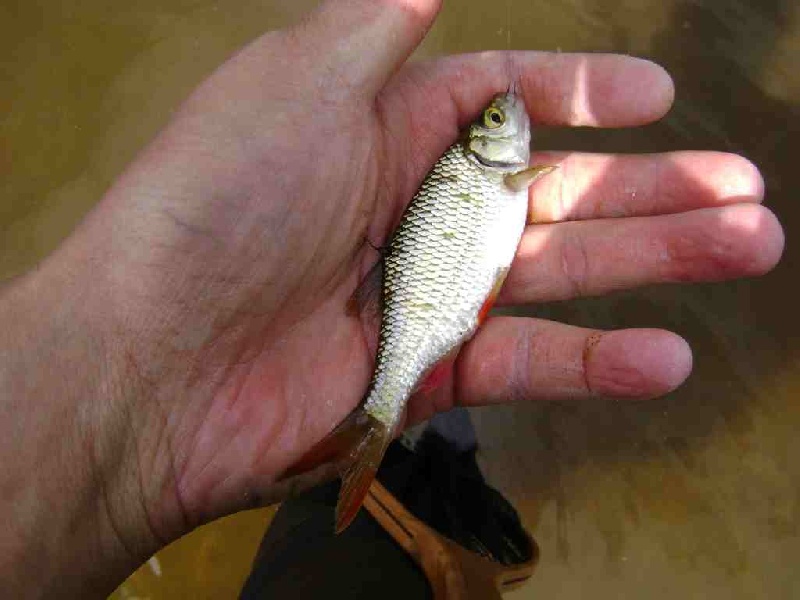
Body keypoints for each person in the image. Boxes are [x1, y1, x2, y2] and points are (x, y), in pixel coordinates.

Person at [0, 0, 784, 597]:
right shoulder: (511, 171)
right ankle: (426, 456)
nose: (506, 115)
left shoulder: (501, 170)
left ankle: (415, 458)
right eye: (497, 117)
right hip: (428, 331)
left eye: (500, 116)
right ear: (491, 144)